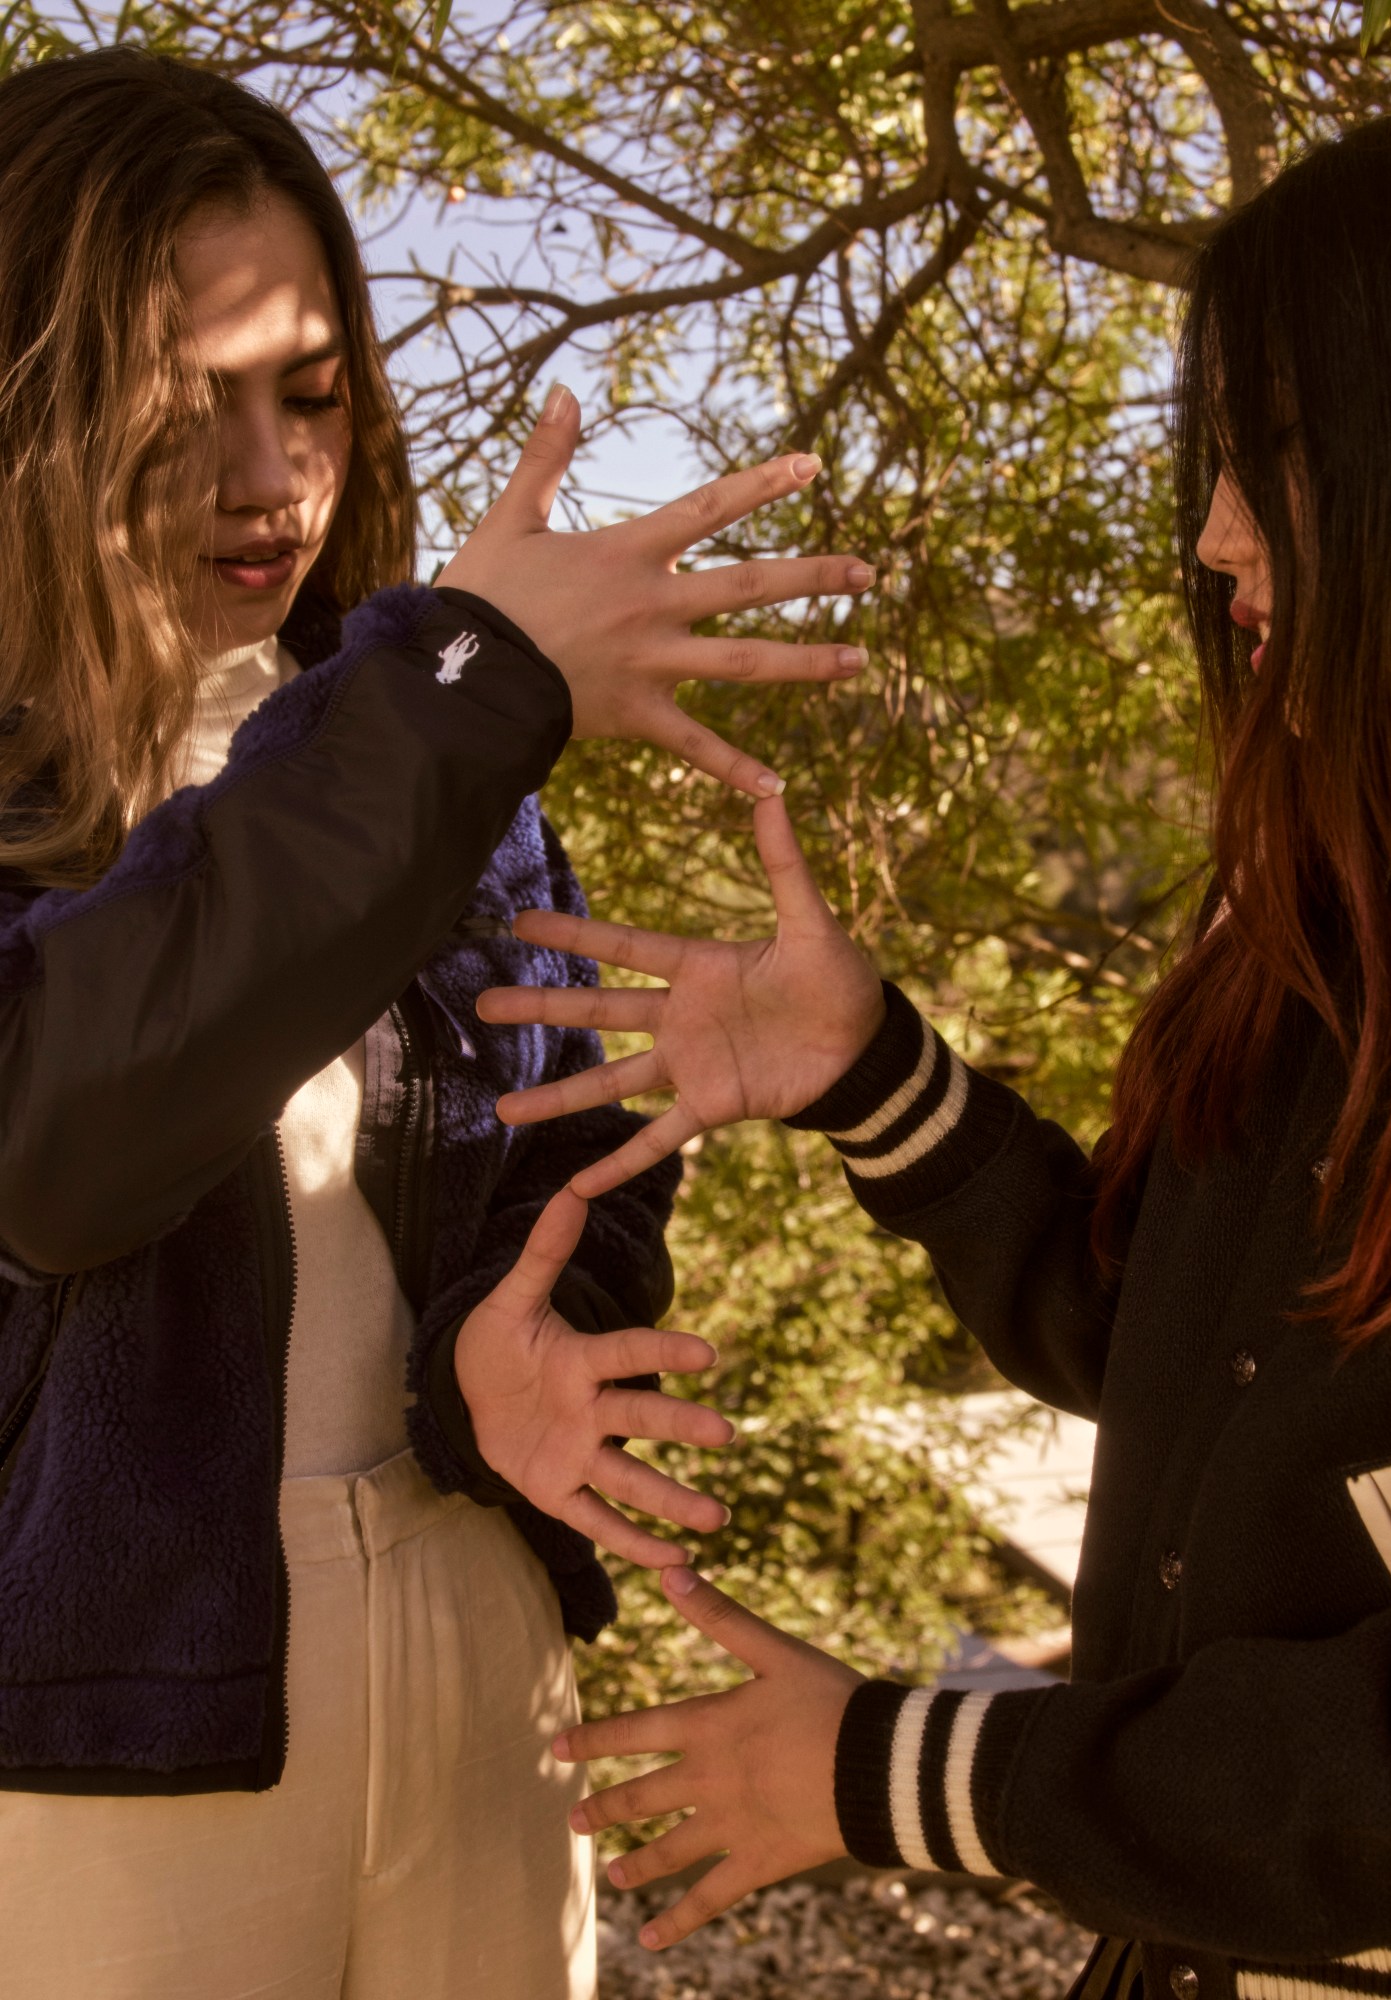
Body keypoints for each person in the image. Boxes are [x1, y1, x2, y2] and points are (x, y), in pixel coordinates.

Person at [482, 69, 1391, 2000]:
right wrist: (876, 1082)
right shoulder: (1363, 932)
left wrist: (908, 1771)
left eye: (1280, 447)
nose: (1214, 537)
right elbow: (1183, 1356)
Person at [0, 46, 875, 2000]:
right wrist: (468, 682)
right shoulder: (414, 726)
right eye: (189, 402)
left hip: (477, 1648)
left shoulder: (411, 745)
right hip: (91, 1721)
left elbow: (570, 1155)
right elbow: (55, 1146)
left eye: (312, 395)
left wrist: (523, 1343)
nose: (276, 476)